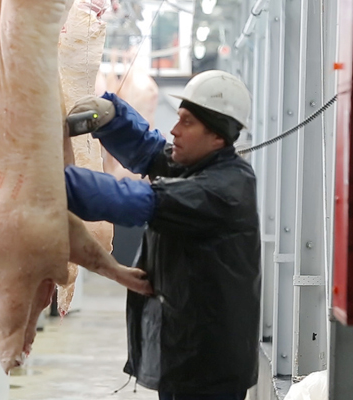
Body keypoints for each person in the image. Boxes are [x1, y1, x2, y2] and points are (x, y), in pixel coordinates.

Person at [64, 70, 261, 400]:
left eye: (186, 122)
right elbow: (153, 153)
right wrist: (112, 118)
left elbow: (135, 200)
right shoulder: (203, 165)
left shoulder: (224, 189)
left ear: (217, 137)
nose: (174, 129)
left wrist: (55, 182)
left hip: (208, 367)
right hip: (188, 354)